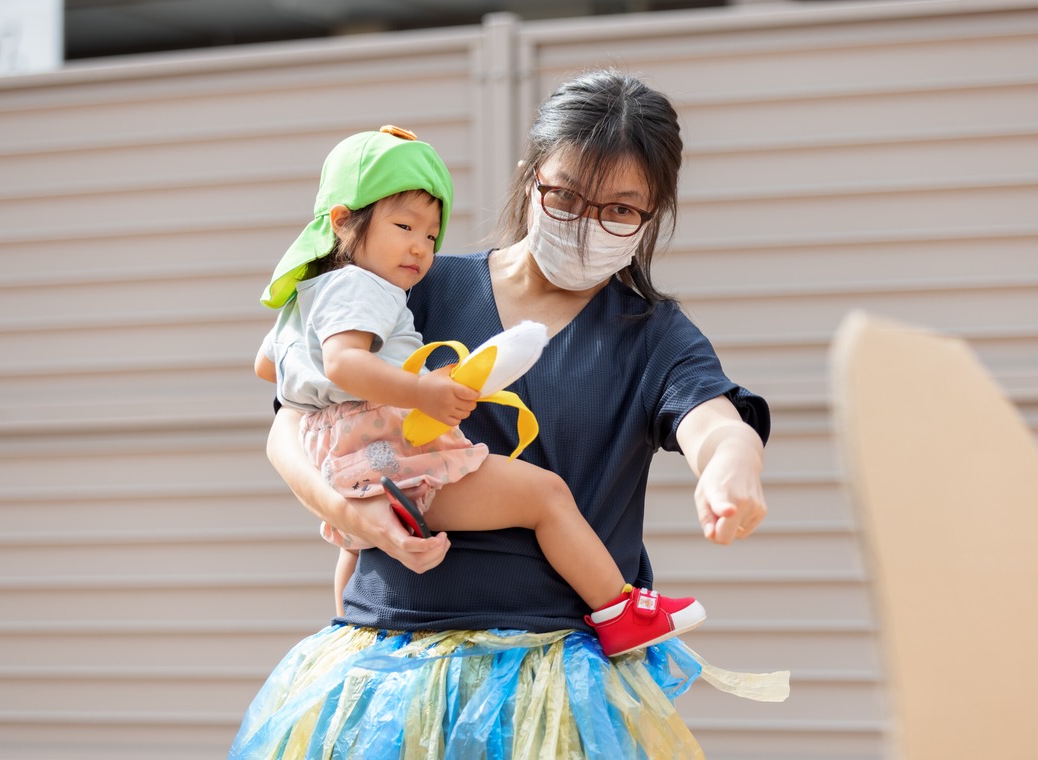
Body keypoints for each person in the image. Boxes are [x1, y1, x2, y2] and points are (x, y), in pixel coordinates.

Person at [231, 71, 788, 760]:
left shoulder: (652, 334)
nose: (586, 222)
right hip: (387, 672)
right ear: (530, 178)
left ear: (653, 214)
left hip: (560, 687)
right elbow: (290, 421)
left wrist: (732, 466)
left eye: (619, 209)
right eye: (566, 196)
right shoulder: (415, 283)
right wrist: (346, 513)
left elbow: (712, 418)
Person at [254, 126, 707, 657]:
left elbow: (269, 366)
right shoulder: (368, 286)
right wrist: (420, 392)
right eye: (404, 226)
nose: (419, 249)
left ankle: (348, 637)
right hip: (386, 446)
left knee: (355, 560)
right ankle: (619, 610)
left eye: (430, 236)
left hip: (338, 454)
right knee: (545, 495)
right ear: (341, 220)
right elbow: (343, 363)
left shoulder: (310, 291)